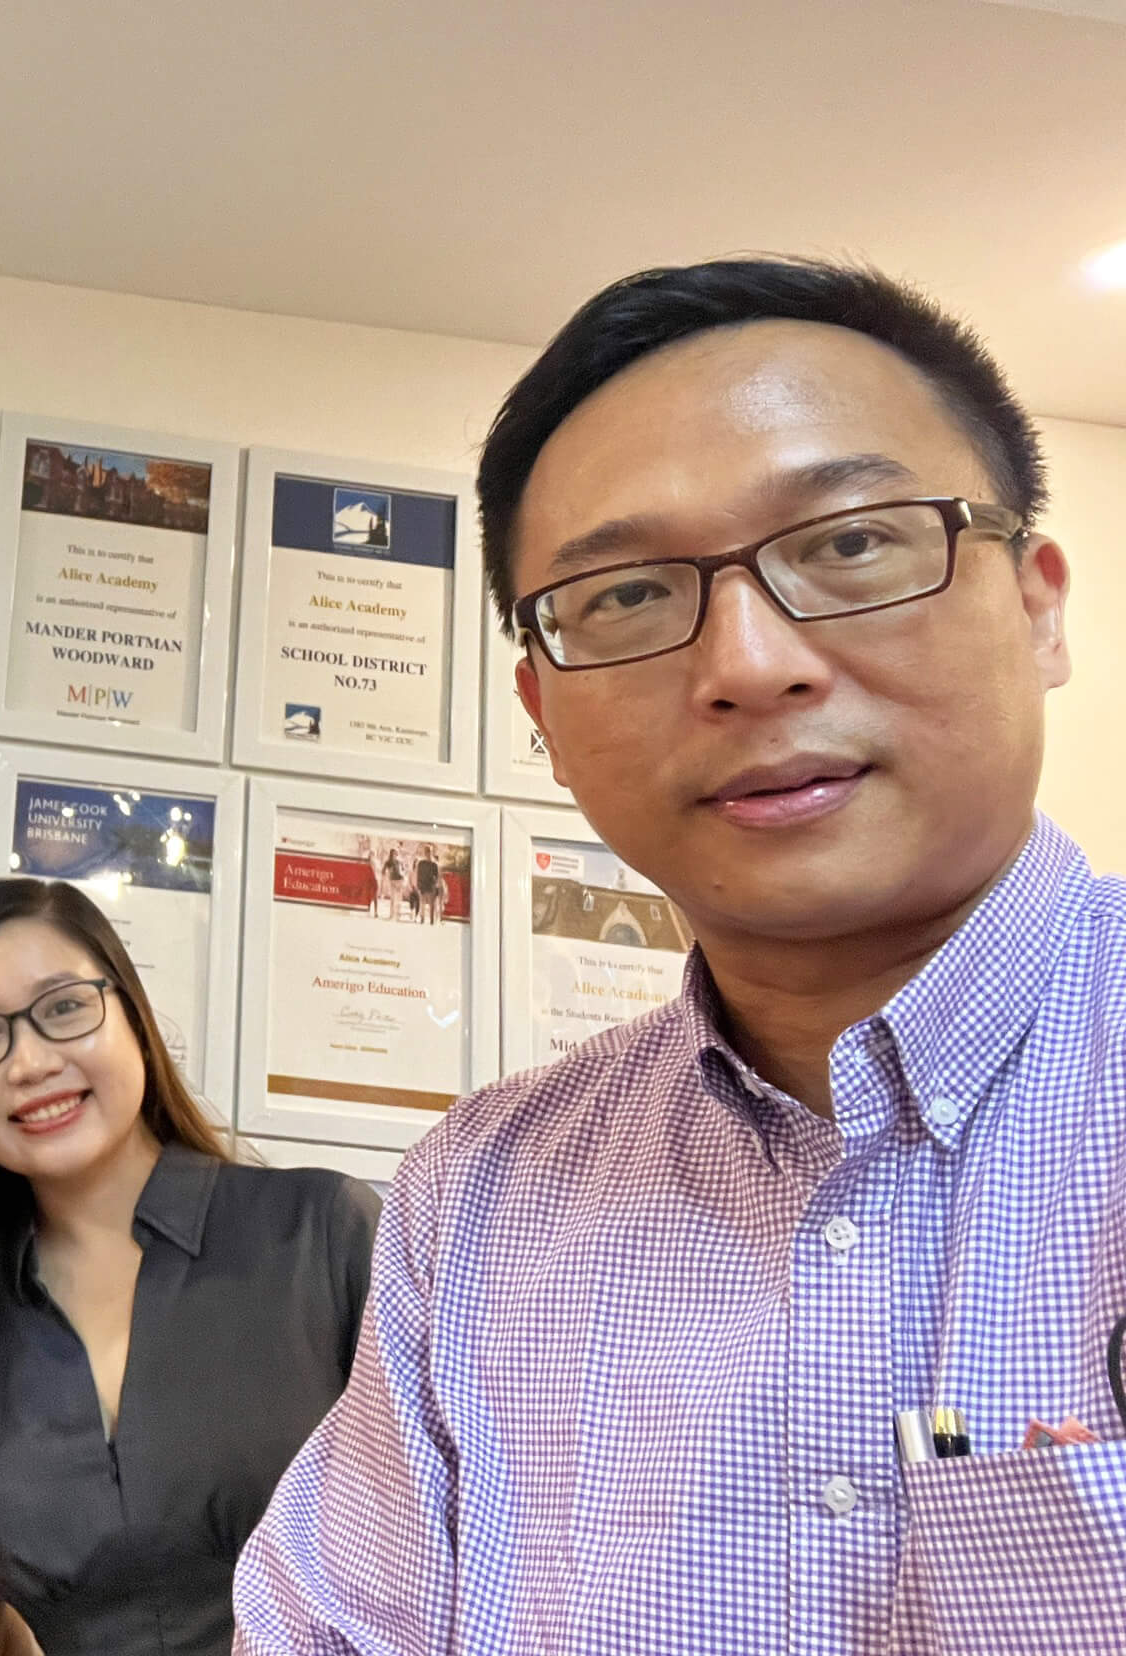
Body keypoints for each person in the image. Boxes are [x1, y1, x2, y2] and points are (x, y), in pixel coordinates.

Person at [234, 258, 1126, 1655]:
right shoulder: (478, 1194)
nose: (749, 665)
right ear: (540, 709)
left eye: (849, 543)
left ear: (1037, 603)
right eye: (629, 596)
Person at [0, 879, 379, 1656]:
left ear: (133, 1016)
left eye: (65, 1006)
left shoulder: (322, 1235)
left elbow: (479, 1537)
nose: (30, 1062)